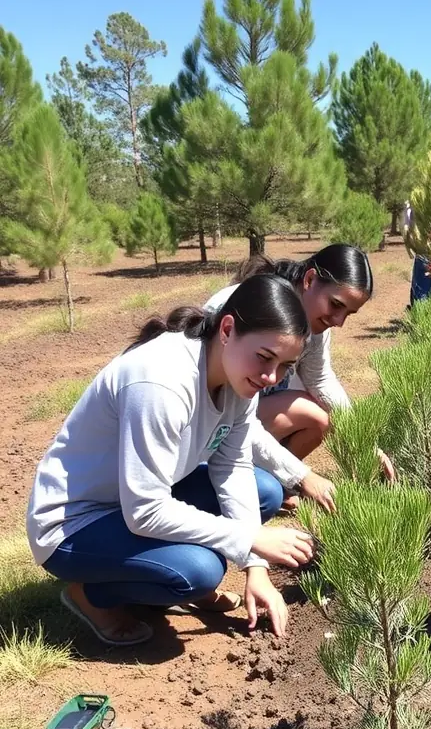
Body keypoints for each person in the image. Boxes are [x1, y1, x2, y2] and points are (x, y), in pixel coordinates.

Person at [28, 275, 314, 647]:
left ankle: (156, 569)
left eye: (285, 366)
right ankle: (92, 596)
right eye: (265, 358)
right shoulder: (160, 381)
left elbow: (233, 467)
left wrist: (254, 566)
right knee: (199, 571)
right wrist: (250, 537)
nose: (271, 376)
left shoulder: (239, 376)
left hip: (134, 500)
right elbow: (144, 510)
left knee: (264, 491)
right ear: (227, 329)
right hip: (74, 523)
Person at [206, 245, 394, 510]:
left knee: (317, 416)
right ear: (309, 280)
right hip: (211, 423)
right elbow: (238, 419)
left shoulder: (312, 322)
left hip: (241, 416)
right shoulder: (250, 305)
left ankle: (268, 477)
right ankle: (252, 478)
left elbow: (320, 378)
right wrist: (301, 476)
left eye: (348, 313)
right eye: (335, 304)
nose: (339, 321)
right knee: (268, 488)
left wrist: (362, 438)